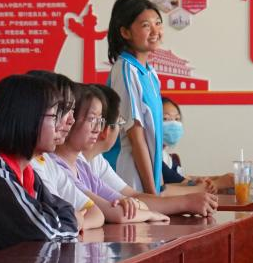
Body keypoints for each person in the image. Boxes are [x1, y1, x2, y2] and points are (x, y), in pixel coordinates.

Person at [0, 75, 78, 256]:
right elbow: (41, 232)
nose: (60, 125)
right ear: (27, 118)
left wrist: (56, 219)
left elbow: (67, 212)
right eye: (54, 116)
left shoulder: (26, 171)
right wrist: (56, 219)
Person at [85, 84, 218, 216]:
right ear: (106, 130)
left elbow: (133, 197)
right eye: (120, 122)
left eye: (177, 119)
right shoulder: (79, 163)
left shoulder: (97, 160)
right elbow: (112, 210)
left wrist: (187, 202)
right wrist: (184, 202)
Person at [53, 84, 169, 223]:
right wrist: (150, 215)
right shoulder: (57, 166)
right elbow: (117, 214)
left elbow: (133, 203)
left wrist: (133, 205)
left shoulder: (81, 165)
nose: (98, 129)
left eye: (100, 121)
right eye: (91, 119)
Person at [26, 71, 104, 230]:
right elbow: (49, 225)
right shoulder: (23, 165)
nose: (71, 120)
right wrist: (74, 220)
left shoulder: (47, 161)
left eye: (72, 111)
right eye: (61, 111)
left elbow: (96, 213)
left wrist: (76, 222)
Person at [104, 0, 164, 195]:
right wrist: (153, 195)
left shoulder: (150, 73)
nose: (155, 31)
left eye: (158, 23)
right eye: (146, 25)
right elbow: (135, 136)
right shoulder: (126, 70)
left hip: (147, 181)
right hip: (128, 177)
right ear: (125, 32)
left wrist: (159, 186)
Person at [161, 97, 234, 191]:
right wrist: (218, 183)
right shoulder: (153, 157)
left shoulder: (165, 155)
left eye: (177, 119)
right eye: (165, 118)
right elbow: (183, 186)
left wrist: (220, 178)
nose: (174, 124)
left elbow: (186, 179)